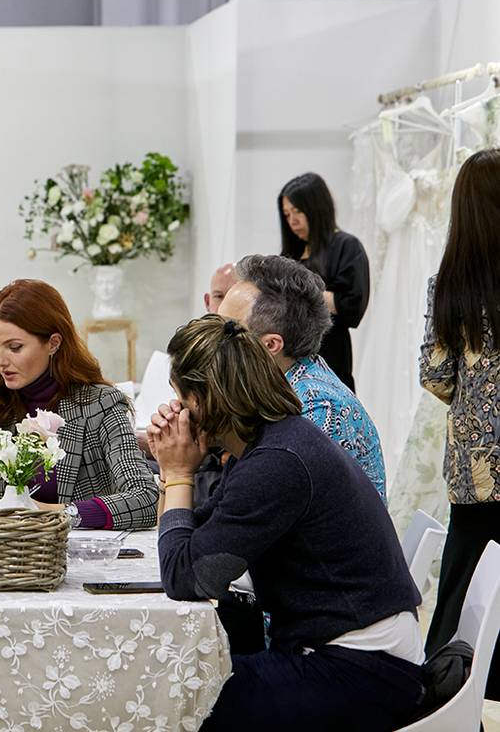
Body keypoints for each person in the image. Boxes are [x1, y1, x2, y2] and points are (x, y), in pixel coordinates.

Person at [150, 316, 422, 731]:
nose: (174, 412)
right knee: (176, 680)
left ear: (202, 401)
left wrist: (178, 474)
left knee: (175, 694)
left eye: (178, 397)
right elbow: (190, 538)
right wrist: (177, 470)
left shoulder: (277, 463)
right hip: (350, 651)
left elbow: (188, 578)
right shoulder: (271, 444)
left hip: (362, 669)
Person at [0, 279, 158, 530]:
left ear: (53, 343)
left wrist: (58, 514)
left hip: (86, 560)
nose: (0, 360)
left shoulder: (102, 405)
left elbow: (145, 499)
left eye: (15, 347)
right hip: (17, 561)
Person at [421, 147, 500, 699]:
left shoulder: (450, 285)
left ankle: (452, 685)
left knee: (463, 577)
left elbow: (436, 377)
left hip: (476, 463)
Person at [218, 254, 386, 499]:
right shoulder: (292, 378)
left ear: (271, 345)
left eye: (225, 328)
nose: (211, 337)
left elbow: (255, 504)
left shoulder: (315, 410)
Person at [278, 172, 370, 393]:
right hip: (289, 357)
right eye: (287, 214)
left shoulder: (346, 247)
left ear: (316, 208)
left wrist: (298, 291)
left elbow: (351, 305)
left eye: (298, 211)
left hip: (329, 356)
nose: (293, 221)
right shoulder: (291, 254)